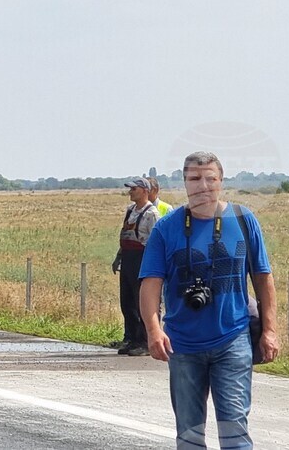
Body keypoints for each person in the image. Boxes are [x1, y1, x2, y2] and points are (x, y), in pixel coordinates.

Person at [140, 151, 279, 449]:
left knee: (235, 431)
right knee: (189, 434)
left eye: (210, 178)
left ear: (221, 181)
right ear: (184, 183)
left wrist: (269, 330)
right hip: (182, 344)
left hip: (233, 340)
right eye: (194, 179)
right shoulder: (166, 228)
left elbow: (263, 278)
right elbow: (150, 284)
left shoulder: (243, 220)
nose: (202, 186)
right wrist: (153, 330)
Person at [112, 177, 158, 356]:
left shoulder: (151, 213)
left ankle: (145, 342)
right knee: (127, 301)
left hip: (142, 259)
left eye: (134, 189)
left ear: (145, 191)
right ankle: (132, 339)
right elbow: (125, 234)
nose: (130, 192)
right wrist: (119, 257)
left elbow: (156, 242)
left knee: (142, 302)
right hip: (128, 258)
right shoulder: (130, 210)